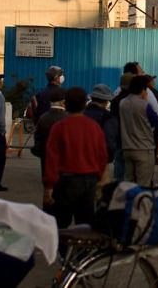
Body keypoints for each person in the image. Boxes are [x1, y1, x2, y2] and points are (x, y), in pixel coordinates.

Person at [44, 87, 108, 229]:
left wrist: (49, 186)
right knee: (86, 222)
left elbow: (52, 158)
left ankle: (63, 249)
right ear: (85, 104)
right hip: (89, 180)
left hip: (65, 181)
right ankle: (83, 250)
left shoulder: (59, 127)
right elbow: (102, 156)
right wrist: (98, 175)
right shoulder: (94, 127)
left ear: (65, 104)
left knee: (61, 222)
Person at [119, 75, 158, 185]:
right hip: (143, 148)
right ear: (143, 89)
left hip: (127, 148)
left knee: (129, 184)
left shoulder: (122, 103)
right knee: (143, 185)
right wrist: (145, 100)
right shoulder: (144, 105)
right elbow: (156, 121)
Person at [33, 87, 67, 176]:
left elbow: (37, 135)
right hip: (62, 154)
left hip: (45, 151)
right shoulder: (67, 118)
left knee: (46, 173)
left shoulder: (43, 117)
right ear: (63, 102)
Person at [83, 84, 119, 166]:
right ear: (106, 101)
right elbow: (110, 140)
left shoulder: (82, 113)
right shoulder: (108, 116)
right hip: (99, 158)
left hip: (81, 156)